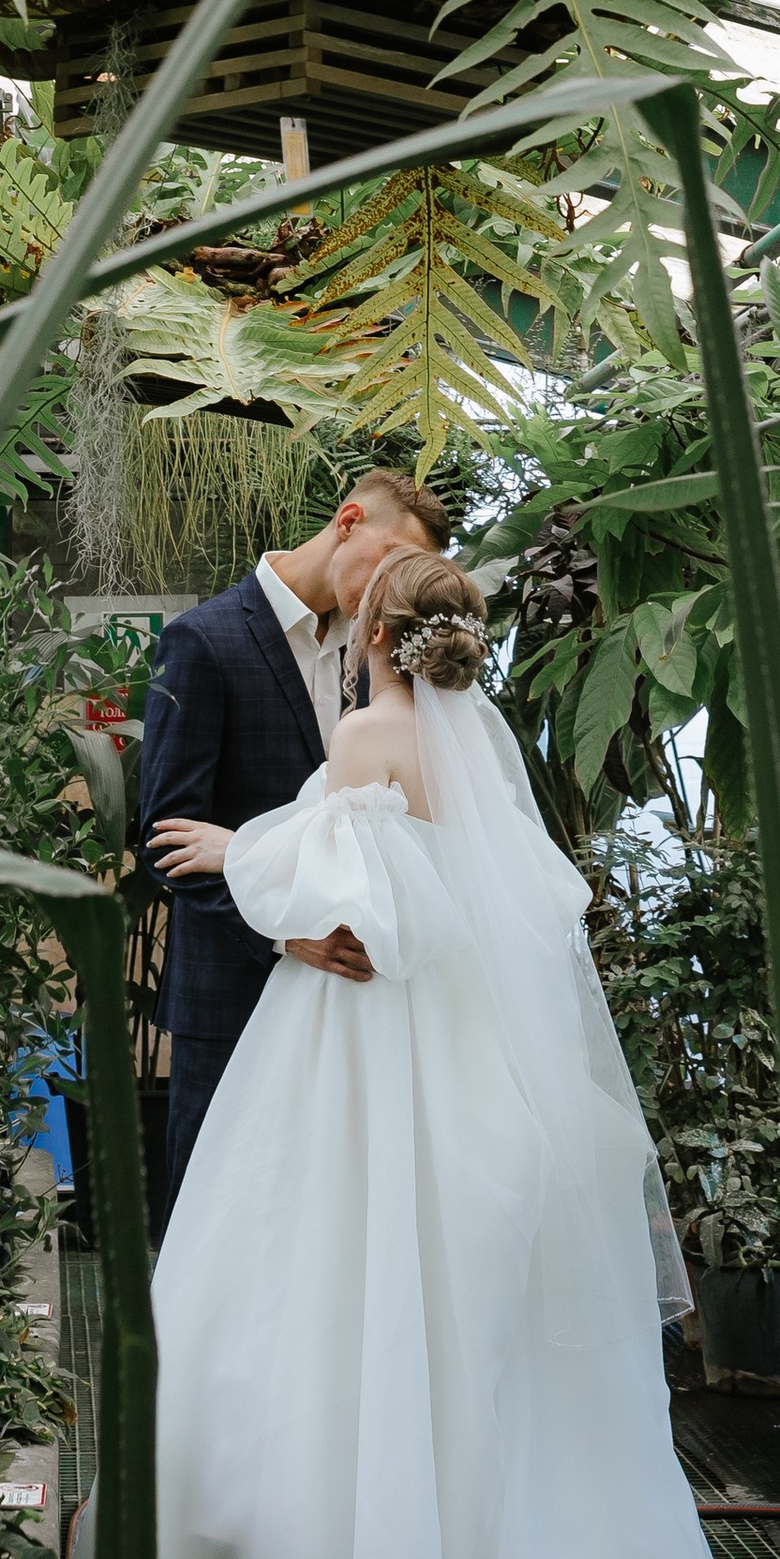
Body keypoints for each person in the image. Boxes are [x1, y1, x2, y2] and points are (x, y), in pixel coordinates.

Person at [143, 548, 739, 1559]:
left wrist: (233, 847)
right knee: (447, 1295)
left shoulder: (366, 741)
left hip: (358, 1045)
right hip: (457, 1045)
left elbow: (352, 908)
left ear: (374, 633)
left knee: (318, 1276)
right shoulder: (486, 768)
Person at [135, 471, 448, 1232]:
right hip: (232, 996)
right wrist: (285, 929)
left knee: (322, 1231)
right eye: (393, 554)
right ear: (348, 522)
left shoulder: (384, 663)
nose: (393, 584)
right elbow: (164, 837)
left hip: (356, 1008)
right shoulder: (203, 640)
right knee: (214, 1224)